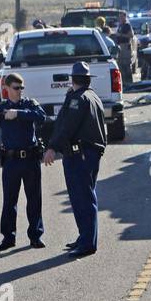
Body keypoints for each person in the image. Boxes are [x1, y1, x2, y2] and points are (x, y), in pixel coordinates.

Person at [43, 61, 107, 258]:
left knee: (83, 199)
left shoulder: (78, 99)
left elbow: (67, 127)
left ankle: (88, 243)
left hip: (81, 155)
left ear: (73, 79)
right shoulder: (91, 96)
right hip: (84, 154)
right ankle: (84, 237)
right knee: (80, 198)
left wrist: (52, 147)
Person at [0, 73, 46, 250]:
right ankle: (8, 237)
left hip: (30, 159)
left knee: (34, 200)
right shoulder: (2, 109)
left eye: (21, 88)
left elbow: (42, 117)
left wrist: (19, 114)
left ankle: (35, 235)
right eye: (16, 88)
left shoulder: (28, 104)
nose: (20, 91)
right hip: (11, 161)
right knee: (9, 201)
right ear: (6, 89)